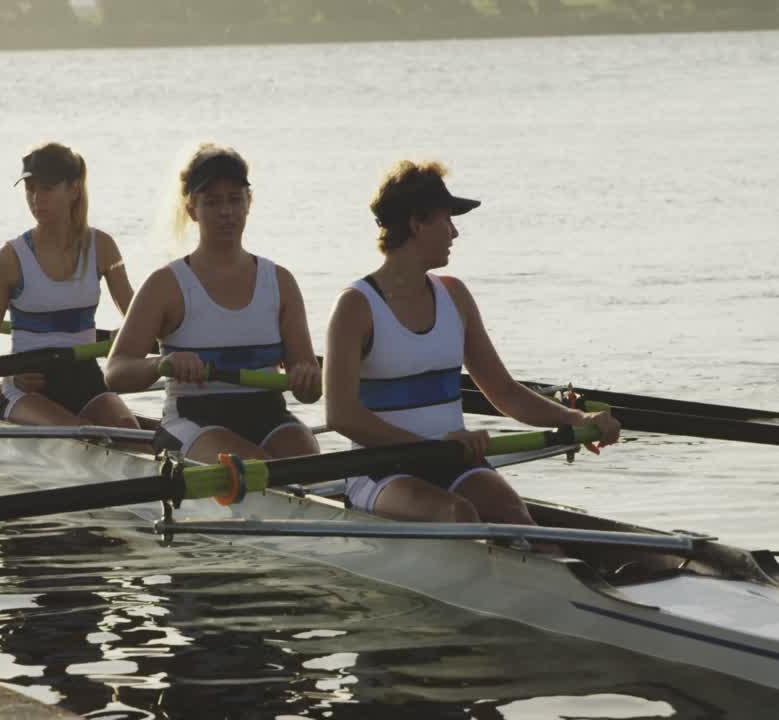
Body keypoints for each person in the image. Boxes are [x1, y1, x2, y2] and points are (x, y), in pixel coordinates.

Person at [324, 160, 620, 524]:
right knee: (456, 513)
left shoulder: (455, 296)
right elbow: (340, 415)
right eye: (447, 220)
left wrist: (577, 417)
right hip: (381, 470)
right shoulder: (356, 306)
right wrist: (430, 448)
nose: (454, 233)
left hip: (455, 461)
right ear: (417, 223)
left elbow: (505, 392)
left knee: (510, 511)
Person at [105, 143, 321, 461]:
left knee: (307, 460)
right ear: (192, 209)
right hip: (193, 420)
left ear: (250, 202)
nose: (226, 212)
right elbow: (115, 372)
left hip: (270, 416)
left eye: (235, 199)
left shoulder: (280, 282)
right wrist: (161, 365)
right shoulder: (166, 285)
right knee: (254, 465)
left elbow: (310, 392)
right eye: (212, 202)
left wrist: (307, 377)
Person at [0, 142, 138, 428]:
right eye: (30, 189)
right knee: (77, 435)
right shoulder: (10, 259)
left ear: (74, 190)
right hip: (27, 389)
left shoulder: (103, 247)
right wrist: (9, 374)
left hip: (87, 381)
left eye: (47, 188)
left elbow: (137, 322)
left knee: (130, 432)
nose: (36, 198)